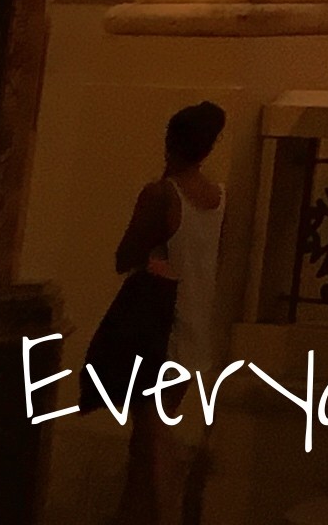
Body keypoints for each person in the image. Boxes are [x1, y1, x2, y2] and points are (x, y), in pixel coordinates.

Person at [90, 101, 227, 520]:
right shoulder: (218, 197)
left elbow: (125, 255)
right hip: (195, 327)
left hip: (158, 331)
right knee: (147, 441)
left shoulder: (161, 194)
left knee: (154, 448)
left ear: (171, 142)